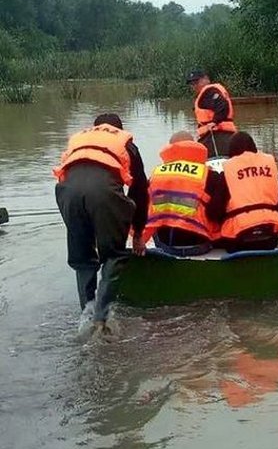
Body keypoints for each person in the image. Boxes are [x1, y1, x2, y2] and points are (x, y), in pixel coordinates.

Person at [53, 113, 149, 334]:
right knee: (113, 255)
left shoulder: (79, 140)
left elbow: (70, 176)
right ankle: (101, 318)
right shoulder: (125, 143)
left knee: (83, 258)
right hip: (103, 193)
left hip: (67, 194)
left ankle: (85, 315)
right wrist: (137, 234)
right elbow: (139, 193)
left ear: (95, 128)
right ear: (119, 129)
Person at [208, 132, 278, 252]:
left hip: (238, 242)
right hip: (268, 240)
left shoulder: (227, 173)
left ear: (231, 151)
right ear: (254, 148)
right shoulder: (269, 169)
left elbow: (214, 213)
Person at [141, 131, 218, 256]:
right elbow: (218, 212)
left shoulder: (156, 175)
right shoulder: (209, 174)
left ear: (170, 149)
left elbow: (143, 214)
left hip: (167, 246)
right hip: (200, 245)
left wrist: (139, 241)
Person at [186, 69, 237, 158]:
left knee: (208, 162)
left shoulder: (209, 91)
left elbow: (222, 105)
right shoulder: (211, 92)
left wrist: (214, 122)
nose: (194, 86)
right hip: (224, 135)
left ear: (206, 79)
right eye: (192, 84)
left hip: (215, 136)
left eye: (196, 82)